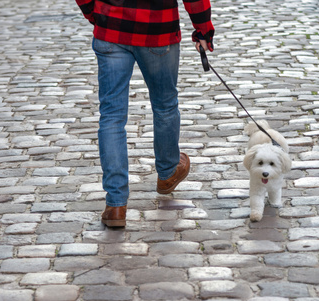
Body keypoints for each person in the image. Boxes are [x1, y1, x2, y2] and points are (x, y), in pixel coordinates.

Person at [75, 0, 215, 227]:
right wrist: (203, 29)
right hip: (158, 31)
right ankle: (168, 171)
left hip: (112, 28)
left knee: (111, 116)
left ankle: (115, 205)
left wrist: (95, 12)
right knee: (165, 105)